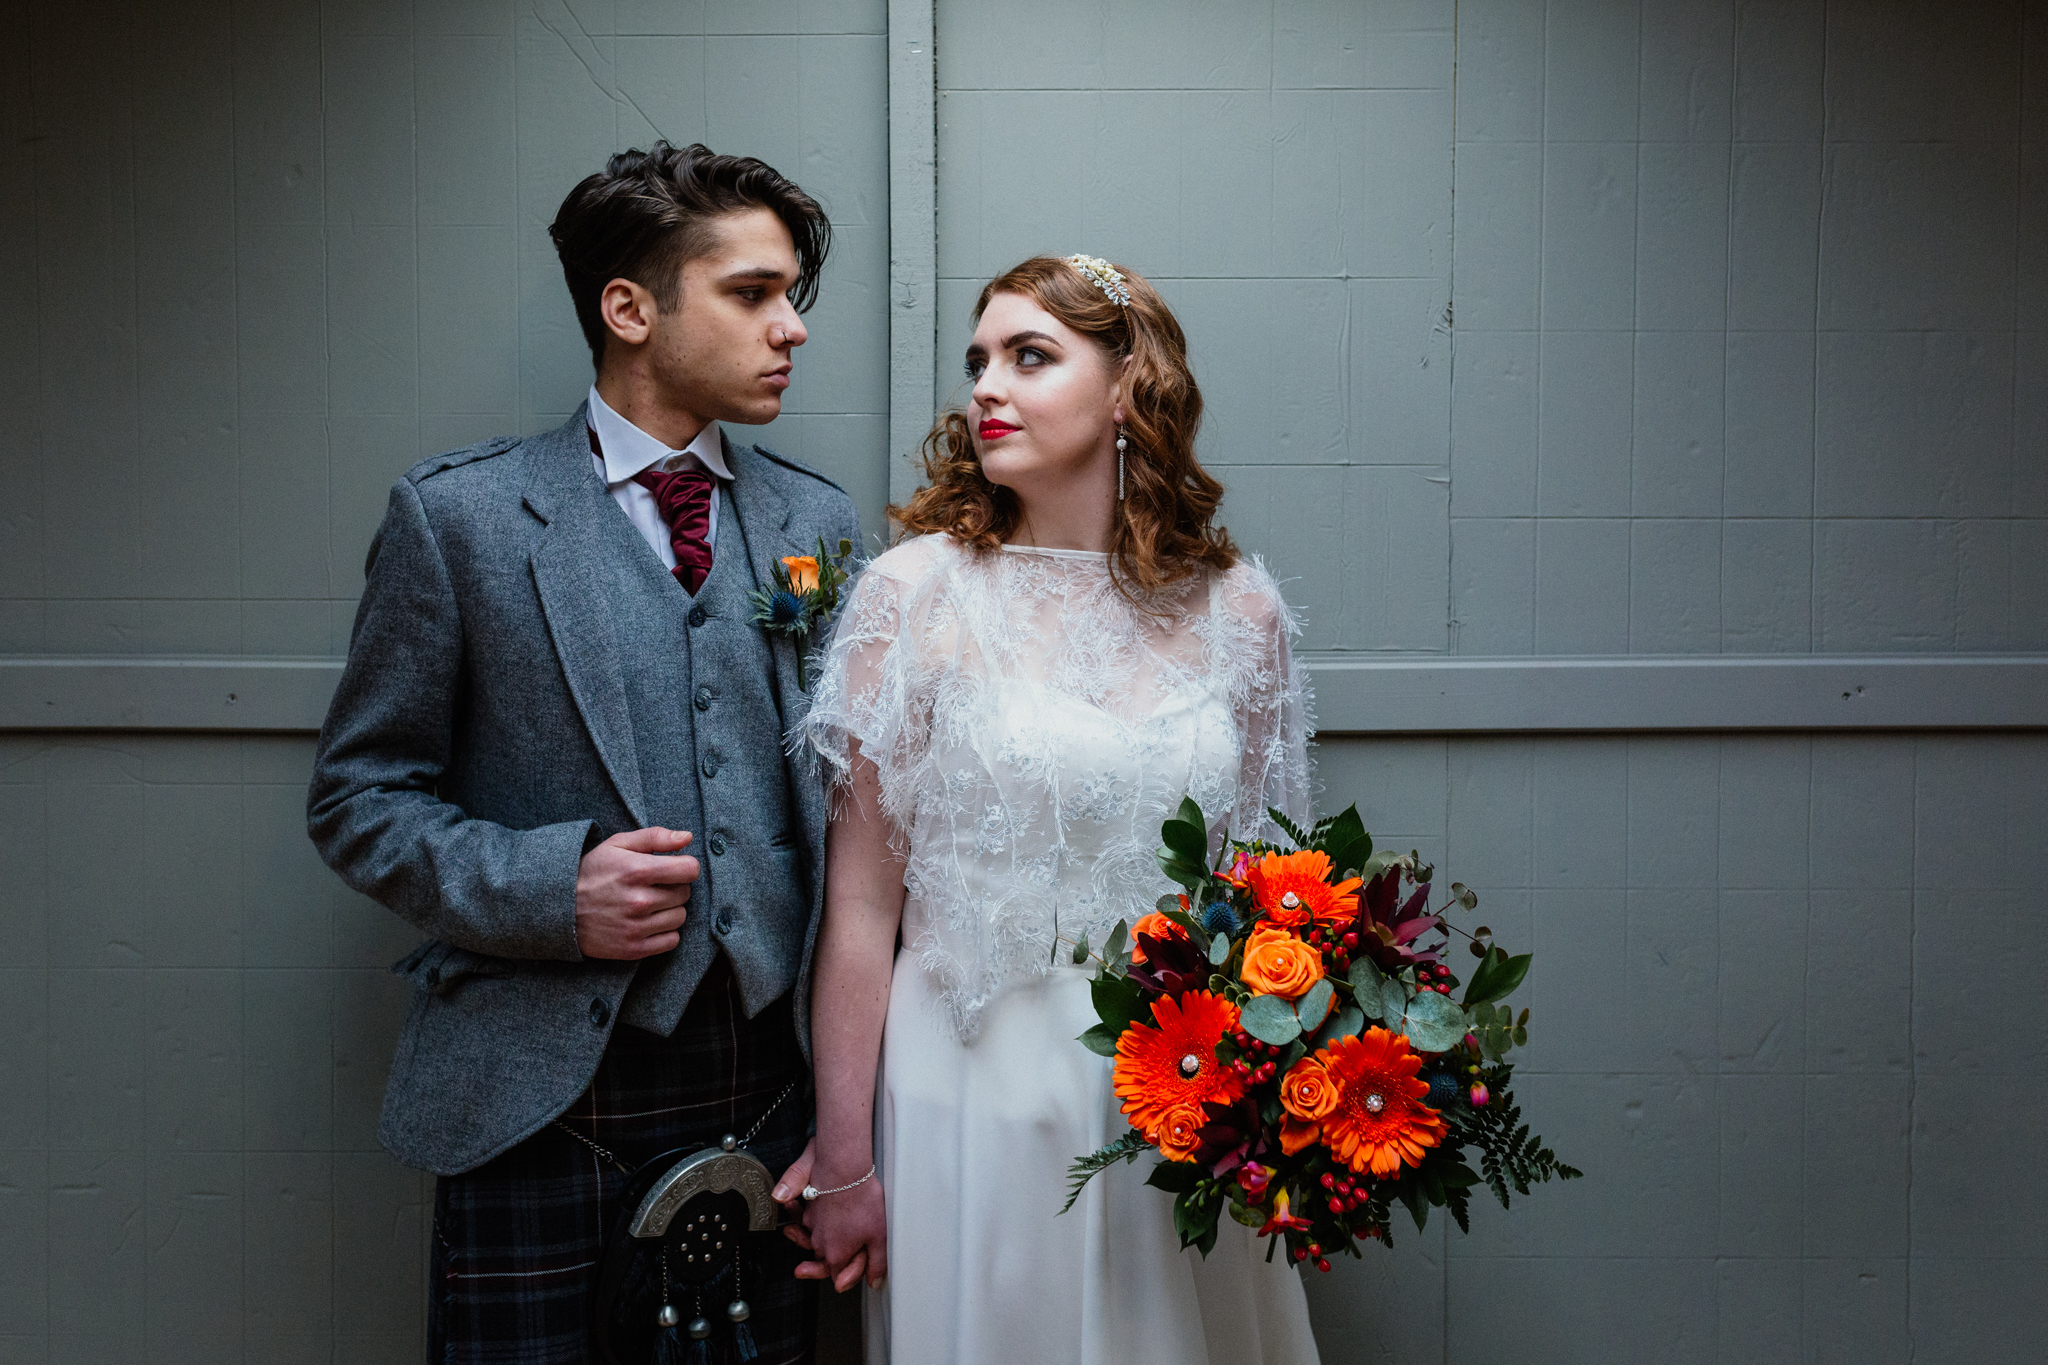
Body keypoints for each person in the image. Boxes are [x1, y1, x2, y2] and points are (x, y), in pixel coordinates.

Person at [307, 141, 857, 1364]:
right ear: (629, 308)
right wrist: (552, 891)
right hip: (543, 1094)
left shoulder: (814, 522)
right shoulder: (457, 519)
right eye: (751, 293)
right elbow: (358, 799)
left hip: (772, 1087)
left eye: (791, 298)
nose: (790, 329)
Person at [793, 255, 1322, 1363]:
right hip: (968, 1080)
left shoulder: (1243, 612)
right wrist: (843, 1158)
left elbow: (1274, 898)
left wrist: (1292, 1112)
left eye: (1029, 356)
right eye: (978, 360)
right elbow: (855, 910)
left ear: (1130, 387)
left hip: (1183, 1099)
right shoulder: (916, 595)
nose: (986, 385)